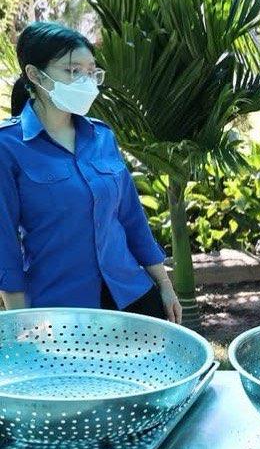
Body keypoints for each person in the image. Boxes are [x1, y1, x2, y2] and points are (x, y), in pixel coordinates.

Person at [0, 22, 179, 322]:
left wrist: (164, 284)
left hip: (132, 295)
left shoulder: (102, 136)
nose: (85, 81)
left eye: (91, 72)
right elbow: (3, 244)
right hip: (59, 308)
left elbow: (132, 218)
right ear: (35, 75)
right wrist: (20, 320)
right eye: (72, 71)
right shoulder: (8, 146)